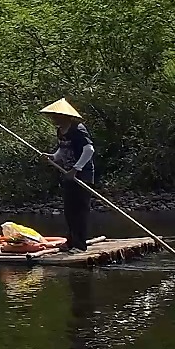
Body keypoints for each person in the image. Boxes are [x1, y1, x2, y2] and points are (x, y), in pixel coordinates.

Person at [41, 99, 97, 251]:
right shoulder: (60, 131)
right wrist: (53, 157)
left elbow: (89, 150)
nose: (53, 118)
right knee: (69, 210)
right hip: (68, 175)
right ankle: (71, 241)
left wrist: (76, 169)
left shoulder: (77, 129)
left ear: (63, 115)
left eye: (55, 115)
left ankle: (80, 244)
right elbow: (63, 150)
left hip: (82, 175)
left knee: (80, 210)